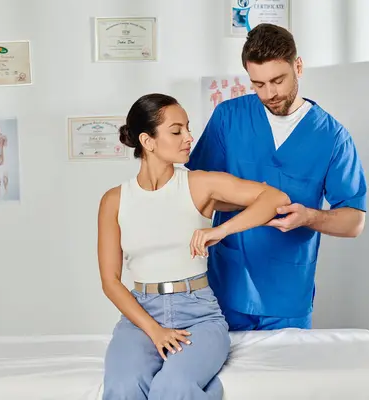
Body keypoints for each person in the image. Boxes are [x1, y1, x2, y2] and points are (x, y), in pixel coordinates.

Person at [98, 93, 291, 399]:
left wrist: (221, 229)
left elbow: (275, 198)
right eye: (176, 131)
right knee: (123, 386)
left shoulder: (199, 183)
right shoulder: (114, 201)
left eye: (188, 128)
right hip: (140, 316)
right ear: (147, 141)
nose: (189, 137)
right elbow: (110, 281)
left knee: (170, 387)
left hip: (198, 315)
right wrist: (154, 330)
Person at [185, 23, 367, 332]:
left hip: (288, 295)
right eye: (258, 84)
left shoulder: (332, 138)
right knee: (225, 378)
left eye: (278, 80)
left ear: (298, 66)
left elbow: (353, 222)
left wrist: (308, 217)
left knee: (286, 379)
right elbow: (197, 191)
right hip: (227, 283)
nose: (269, 93)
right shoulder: (229, 118)